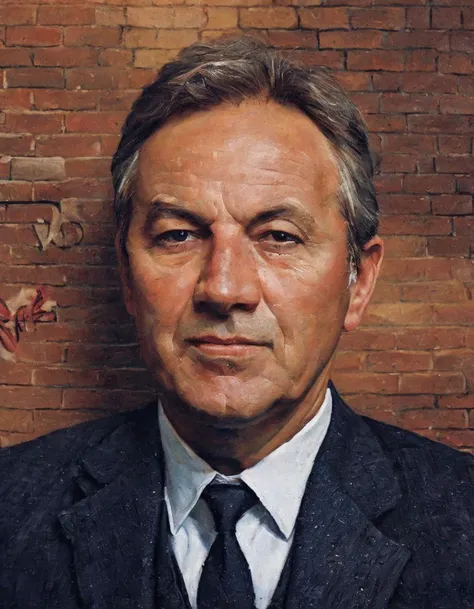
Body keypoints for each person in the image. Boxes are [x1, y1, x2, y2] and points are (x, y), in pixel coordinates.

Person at [0, 37, 472, 609]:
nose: (224, 289)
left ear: (359, 281)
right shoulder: (11, 509)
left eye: (279, 237)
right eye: (178, 235)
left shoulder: (461, 518)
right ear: (126, 275)